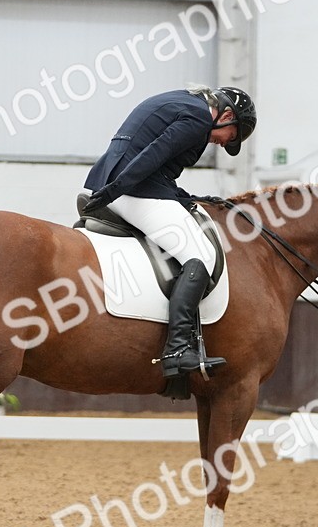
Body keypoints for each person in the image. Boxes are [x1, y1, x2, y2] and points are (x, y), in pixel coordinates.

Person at [83, 84, 257, 380]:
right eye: (231, 137)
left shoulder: (181, 101)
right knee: (200, 256)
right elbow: (152, 155)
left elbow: (156, 164)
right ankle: (177, 348)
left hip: (123, 183)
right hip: (132, 190)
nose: (222, 143)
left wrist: (183, 196)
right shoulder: (200, 119)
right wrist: (116, 190)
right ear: (227, 115)